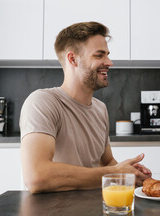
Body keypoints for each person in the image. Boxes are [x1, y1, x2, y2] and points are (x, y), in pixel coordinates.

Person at [20, 21, 151, 193]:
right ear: (72, 59)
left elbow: (105, 162)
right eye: (99, 55)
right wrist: (115, 172)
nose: (109, 62)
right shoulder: (43, 102)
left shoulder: (100, 108)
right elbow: (37, 176)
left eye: (107, 55)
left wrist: (129, 172)